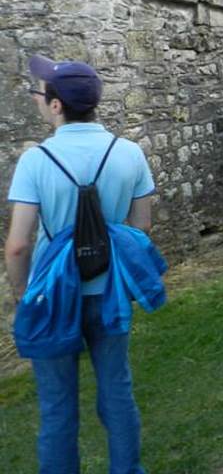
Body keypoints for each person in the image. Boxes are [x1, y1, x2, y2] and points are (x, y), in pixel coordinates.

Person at [5, 55, 156, 473]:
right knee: (117, 392)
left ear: (56, 106)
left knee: (56, 408)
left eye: (40, 94)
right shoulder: (128, 154)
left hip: (53, 296)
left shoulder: (36, 161)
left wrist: (23, 295)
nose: (37, 100)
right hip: (109, 293)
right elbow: (139, 231)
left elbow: (18, 246)